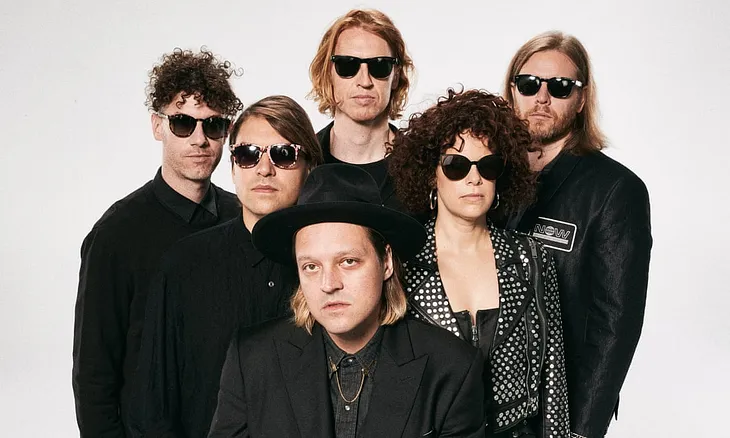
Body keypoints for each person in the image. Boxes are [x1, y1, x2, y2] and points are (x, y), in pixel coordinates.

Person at [207, 164, 487, 438]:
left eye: (348, 261)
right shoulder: (252, 358)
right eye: (311, 267)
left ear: (386, 261)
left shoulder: (452, 368)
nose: (329, 285)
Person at [127, 96, 324, 437]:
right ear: (233, 167)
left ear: (310, 169)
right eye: (248, 155)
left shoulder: (331, 269)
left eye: (283, 154)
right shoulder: (183, 265)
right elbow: (154, 404)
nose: (265, 169)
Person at [72, 48, 243, 437]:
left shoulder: (241, 217)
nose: (200, 139)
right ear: (157, 125)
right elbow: (94, 373)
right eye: (183, 123)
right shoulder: (117, 234)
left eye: (213, 125)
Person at [389, 89, 569, 437]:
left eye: (487, 166)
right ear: (431, 175)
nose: (474, 179)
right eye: (456, 166)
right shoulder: (401, 261)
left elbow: (554, 377)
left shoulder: (530, 257)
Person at [501, 31, 652, 438]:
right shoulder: (483, 175)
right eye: (529, 84)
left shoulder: (615, 190)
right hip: (482, 404)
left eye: (560, 87)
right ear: (512, 90)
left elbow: (616, 323)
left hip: (560, 410)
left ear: (582, 98)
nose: (542, 99)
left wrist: (583, 430)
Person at [308, 8, 414, 210]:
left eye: (380, 66)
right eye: (347, 66)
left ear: (396, 75)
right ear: (327, 73)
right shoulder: (302, 163)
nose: (364, 81)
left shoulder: (423, 164)